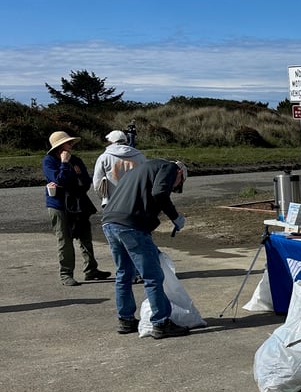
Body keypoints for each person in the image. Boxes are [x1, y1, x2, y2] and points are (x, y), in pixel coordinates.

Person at [100, 159, 190, 338]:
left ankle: (125, 320)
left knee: (124, 274)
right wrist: (175, 217)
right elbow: (159, 193)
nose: (175, 187)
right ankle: (161, 322)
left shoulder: (139, 170)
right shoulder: (170, 167)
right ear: (180, 173)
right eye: (177, 185)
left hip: (110, 222)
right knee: (153, 276)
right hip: (132, 226)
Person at [42, 131, 111, 286]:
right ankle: (66, 274)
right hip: (58, 205)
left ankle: (91, 270)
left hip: (79, 204)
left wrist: (69, 181)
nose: (71, 146)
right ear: (59, 146)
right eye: (68, 143)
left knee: (85, 237)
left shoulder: (77, 160)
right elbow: (60, 180)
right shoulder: (49, 161)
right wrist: (65, 164)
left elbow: (86, 182)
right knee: (64, 239)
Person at [92, 129, 147, 207]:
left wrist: (104, 198)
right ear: (125, 140)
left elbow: (97, 183)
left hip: (113, 201)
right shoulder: (140, 156)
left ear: (111, 141)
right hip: (136, 200)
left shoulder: (104, 157)